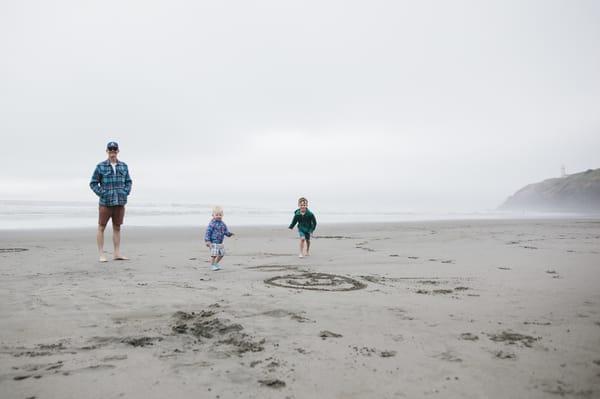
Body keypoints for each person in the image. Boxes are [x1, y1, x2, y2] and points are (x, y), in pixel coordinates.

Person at [89, 141, 133, 262]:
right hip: (105, 202)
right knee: (101, 227)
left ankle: (117, 253)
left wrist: (125, 192)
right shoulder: (100, 166)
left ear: (118, 151)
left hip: (120, 201)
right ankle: (101, 254)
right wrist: (102, 193)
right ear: (107, 151)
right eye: (110, 150)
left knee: (117, 227)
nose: (112, 152)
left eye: (114, 150)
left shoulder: (124, 166)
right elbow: (93, 183)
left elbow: (129, 181)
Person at [204, 206, 234, 271]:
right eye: (216, 215)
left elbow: (225, 231)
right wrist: (207, 241)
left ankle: (215, 263)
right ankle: (212, 265)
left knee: (222, 254)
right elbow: (208, 232)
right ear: (213, 215)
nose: (218, 216)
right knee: (214, 255)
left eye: (220, 215)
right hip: (213, 242)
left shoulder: (223, 224)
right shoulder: (212, 224)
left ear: (222, 215)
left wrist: (229, 234)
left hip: (220, 242)